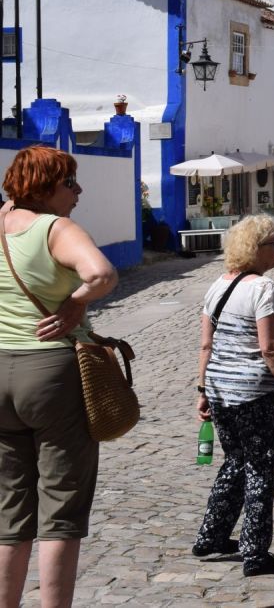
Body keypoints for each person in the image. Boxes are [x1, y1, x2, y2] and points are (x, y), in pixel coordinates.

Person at [0, 146, 117, 608]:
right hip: (50, 373)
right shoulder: (55, 228)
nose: (78, 191)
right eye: (70, 183)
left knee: (9, 513)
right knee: (60, 510)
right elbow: (101, 274)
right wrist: (75, 303)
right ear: (45, 187)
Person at [193, 215, 274, 575]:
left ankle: (211, 535)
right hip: (254, 394)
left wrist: (202, 389)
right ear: (257, 248)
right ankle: (255, 553)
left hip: (220, 389)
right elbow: (271, 349)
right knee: (260, 467)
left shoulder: (217, 286)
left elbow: (206, 345)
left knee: (235, 460)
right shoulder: (263, 289)